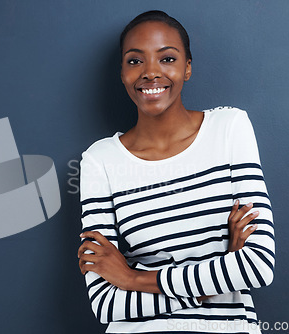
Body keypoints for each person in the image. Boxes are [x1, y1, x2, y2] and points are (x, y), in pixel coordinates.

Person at [77, 10, 274, 334]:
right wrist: (214, 283)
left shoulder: (229, 128)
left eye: (167, 58)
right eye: (135, 61)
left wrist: (132, 278)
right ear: (123, 73)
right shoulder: (100, 160)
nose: (150, 73)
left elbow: (258, 266)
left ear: (187, 68)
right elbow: (105, 303)